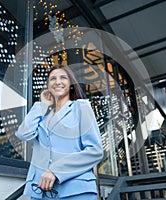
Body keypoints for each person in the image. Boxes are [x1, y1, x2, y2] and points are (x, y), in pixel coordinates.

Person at [15, 65, 103, 199]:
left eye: (63, 77)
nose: (57, 82)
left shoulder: (80, 108)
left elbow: (95, 151)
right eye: (52, 79)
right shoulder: (43, 116)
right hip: (42, 192)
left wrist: (56, 171)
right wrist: (42, 105)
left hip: (75, 190)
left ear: (71, 84)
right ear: (48, 86)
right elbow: (23, 133)